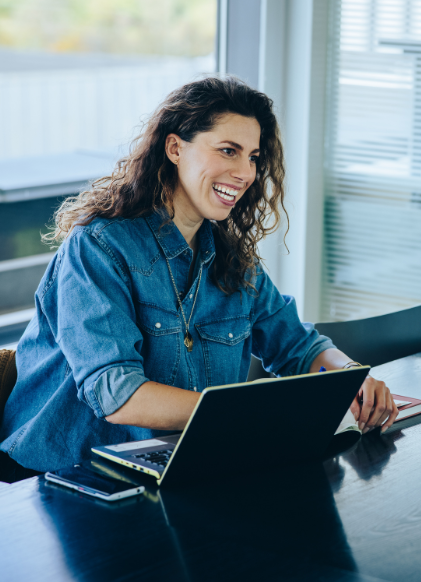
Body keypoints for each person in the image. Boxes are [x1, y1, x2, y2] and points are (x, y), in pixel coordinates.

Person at [0, 76, 397, 480]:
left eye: (254, 158)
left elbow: (297, 345)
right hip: (63, 475)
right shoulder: (99, 247)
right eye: (229, 151)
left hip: (177, 461)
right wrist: (241, 415)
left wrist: (353, 377)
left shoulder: (233, 259)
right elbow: (116, 393)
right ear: (175, 148)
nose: (245, 173)